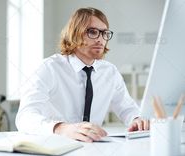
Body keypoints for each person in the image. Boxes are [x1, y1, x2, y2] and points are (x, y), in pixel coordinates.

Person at [16, 7, 149, 142]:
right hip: (54, 146)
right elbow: (25, 118)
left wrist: (136, 119)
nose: (100, 39)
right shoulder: (49, 68)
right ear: (74, 34)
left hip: (93, 147)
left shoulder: (110, 72)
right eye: (92, 32)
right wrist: (62, 128)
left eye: (104, 33)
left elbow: (127, 108)